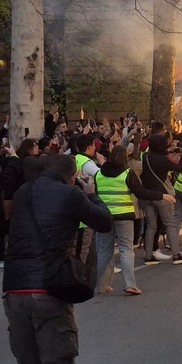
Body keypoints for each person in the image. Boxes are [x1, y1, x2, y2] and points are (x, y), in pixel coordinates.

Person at [3, 154, 112, 363]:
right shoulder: (71, 194)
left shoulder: (23, 192)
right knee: (58, 357)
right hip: (49, 287)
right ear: (73, 177)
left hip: (14, 288)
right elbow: (104, 222)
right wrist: (91, 194)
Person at [94, 144, 168, 296]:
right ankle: (130, 285)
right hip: (124, 216)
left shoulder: (99, 174)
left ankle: (101, 286)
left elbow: (95, 194)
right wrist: (162, 195)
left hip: (103, 216)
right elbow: (141, 192)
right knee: (126, 249)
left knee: (104, 252)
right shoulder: (128, 173)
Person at [139, 127, 182, 266]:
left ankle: (148, 256)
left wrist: (171, 150)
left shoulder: (146, 157)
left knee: (151, 225)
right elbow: (179, 167)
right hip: (162, 195)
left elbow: (158, 153)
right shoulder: (163, 160)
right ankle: (176, 255)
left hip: (146, 195)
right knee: (169, 224)